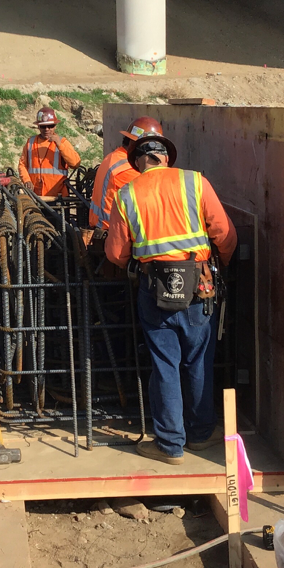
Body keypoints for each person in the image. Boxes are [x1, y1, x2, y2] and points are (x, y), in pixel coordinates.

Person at [105, 133, 237, 465]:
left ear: (138, 162)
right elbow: (225, 233)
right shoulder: (194, 182)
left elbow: (116, 254)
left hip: (155, 289)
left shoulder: (127, 193)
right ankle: (201, 434)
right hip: (198, 286)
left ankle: (170, 444)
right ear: (166, 158)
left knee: (165, 364)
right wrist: (220, 265)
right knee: (198, 360)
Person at [87, 116, 164, 230]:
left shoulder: (114, 157)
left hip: (104, 225)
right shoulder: (129, 169)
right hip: (113, 229)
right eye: (153, 146)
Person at [18, 106, 81, 198]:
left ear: (55, 126)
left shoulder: (62, 142)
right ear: (38, 127)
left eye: (50, 126)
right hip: (35, 196)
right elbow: (22, 164)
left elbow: (75, 163)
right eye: (43, 126)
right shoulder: (31, 143)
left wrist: (60, 145)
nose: (47, 129)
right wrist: (26, 180)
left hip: (57, 198)